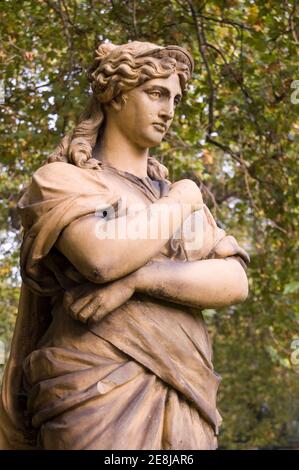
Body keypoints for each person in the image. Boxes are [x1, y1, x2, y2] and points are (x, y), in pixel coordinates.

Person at [0, 41, 249, 450]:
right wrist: (184, 199)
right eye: (156, 93)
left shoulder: (169, 198)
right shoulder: (65, 181)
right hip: (93, 394)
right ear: (114, 95)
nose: (169, 110)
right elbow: (102, 258)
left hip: (185, 388)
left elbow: (234, 280)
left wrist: (141, 278)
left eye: (175, 98)